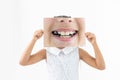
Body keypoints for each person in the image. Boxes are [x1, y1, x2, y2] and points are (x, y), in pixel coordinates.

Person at [19, 16, 105, 80]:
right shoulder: (46, 52)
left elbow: (101, 66)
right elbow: (23, 62)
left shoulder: (78, 51)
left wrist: (94, 44)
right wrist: (34, 39)